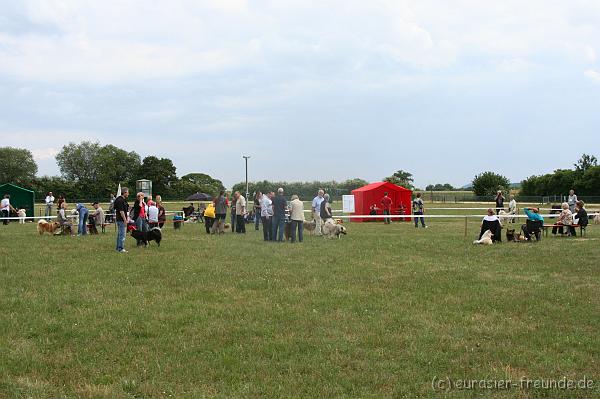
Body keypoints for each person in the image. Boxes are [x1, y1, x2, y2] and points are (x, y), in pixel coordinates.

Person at [114, 187, 130, 253]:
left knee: (120, 234)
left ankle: (118, 248)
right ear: (124, 192)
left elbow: (126, 208)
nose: (128, 194)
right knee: (122, 234)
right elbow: (121, 211)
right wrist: (125, 220)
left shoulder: (123, 200)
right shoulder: (120, 200)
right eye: (128, 192)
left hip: (120, 219)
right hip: (121, 220)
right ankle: (121, 248)